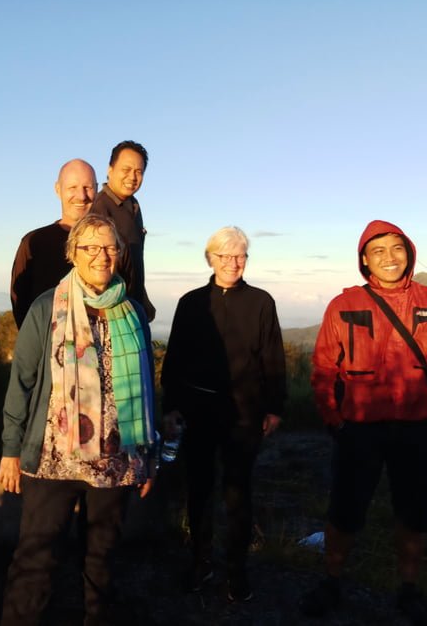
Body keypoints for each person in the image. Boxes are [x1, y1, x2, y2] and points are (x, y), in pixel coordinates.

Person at [300, 220, 427, 625]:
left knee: (413, 514)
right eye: (378, 251)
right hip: (359, 430)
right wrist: (335, 420)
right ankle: (331, 582)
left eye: (396, 248)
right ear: (364, 259)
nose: (389, 258)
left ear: (409, 251)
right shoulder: (344, 305)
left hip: (418, 429)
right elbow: (324, 368)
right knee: (345, 511)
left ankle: (409, 590)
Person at [0, 213, 157, 625]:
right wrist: (11, 449)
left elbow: (146, 388)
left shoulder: (133, 312)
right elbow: (22, 381)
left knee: (102, 559)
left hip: (116, 460)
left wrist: (147, 453)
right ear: (73, 254)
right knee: (35, 559)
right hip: (54, 459)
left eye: (110, 247)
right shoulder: (47, 307)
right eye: (91, 247)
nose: (101, 255)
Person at [161, 225, 286, 601]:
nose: (233, 262)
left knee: (238, 493)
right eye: (225, 255)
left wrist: (275, 407)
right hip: (198, 411)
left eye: (240, 255)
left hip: (244, 412)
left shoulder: (261, 302)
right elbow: (175, 357)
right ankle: (200, 562)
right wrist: (170, 406)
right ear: (210, 259)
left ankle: (236, 570)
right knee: (198, 490)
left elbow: (272, 357)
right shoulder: (191, 302)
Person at [10, 158, 98, 328]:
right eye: (72, 187)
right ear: (58, 189)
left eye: (87, 187)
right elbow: (19, 301)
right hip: (46, 339)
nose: (81, 196)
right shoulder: (34, 243)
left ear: (97, 189)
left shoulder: (108, 244)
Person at [90, 140, 155, 321]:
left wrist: (143, 298)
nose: (132, 177)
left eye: (139, 172)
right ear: (110, 170)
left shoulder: (133, 205)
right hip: (113, 311)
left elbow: (133, 261)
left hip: (132, 307)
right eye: (126, 170)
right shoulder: (100, 209)